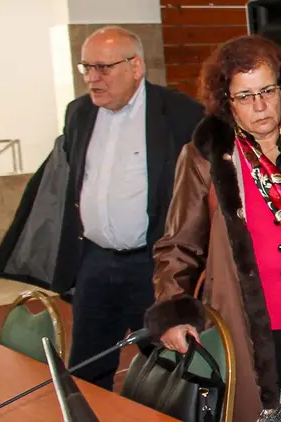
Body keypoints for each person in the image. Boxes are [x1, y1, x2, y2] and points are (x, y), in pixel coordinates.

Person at [143, 35, 281, 422]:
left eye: (267, 91)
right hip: (253, 320)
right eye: (244, 96)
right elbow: (178, 243)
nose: (259, 105)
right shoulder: (207, 155)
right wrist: (174, 311)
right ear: (227, 100)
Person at [59, 27, 204, 390]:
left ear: (136, 67)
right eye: (86, 67)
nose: (92, 78)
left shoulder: (180, 113)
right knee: (86, 368)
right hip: (94, 263)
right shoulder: (78, 115)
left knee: (167, 372)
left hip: (152, 265)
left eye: (103, 68)